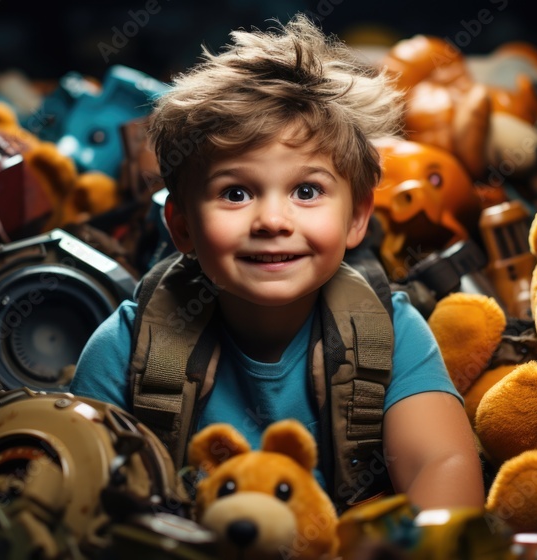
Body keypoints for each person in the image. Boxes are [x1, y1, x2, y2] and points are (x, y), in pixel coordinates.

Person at [70, 14, 484, 512]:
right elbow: (82, 498)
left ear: (356, 217)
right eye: (236, 192)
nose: (272, 220)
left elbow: (439, 464)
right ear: (181, 227)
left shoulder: (387, 332)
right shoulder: (126, 349)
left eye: (306, 191)